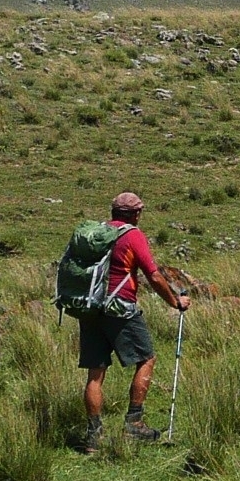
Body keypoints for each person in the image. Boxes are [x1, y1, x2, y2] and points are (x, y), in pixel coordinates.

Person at [79, 190, 188, 452]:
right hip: (120, 307)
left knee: (96, 373)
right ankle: (134, 424)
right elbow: (154, 275)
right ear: (136, 214)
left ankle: (94, 435)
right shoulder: (132, 235)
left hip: (90, 307)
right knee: (146, 359)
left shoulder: (97, 234)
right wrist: (175, 302)